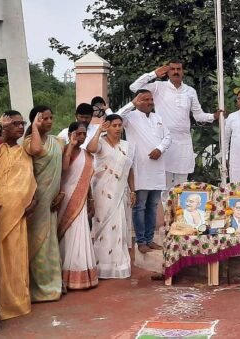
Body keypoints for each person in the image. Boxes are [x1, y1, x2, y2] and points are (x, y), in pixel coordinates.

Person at [129, 60, 219, 196]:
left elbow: (198, 115)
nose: (176, 72)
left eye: (179, 69)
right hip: (162, 142)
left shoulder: (190, 91)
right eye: (172, 69)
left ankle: (178, 215)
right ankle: (164, 216)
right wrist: (154, 74)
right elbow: (134, 87)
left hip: (183, 142)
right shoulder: (158, 86)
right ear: (167, 72)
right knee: (163, 185)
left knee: (181, 184)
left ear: (182, 72)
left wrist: (214, 116)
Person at [0, 111, 37, 319]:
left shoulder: (24, 151)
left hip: (19, 214)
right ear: (4, 125)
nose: (20, 127)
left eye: (22, 123)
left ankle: (17, 302)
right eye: (14, 124)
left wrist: (34, 200)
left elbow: (30, 178)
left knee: (17, 257)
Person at [117, 89, 173, 254]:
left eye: (151, 99)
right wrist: (132, 104)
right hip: (140, 168)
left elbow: (168, 137)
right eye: (145, 99)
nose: (150, 102)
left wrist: (160, 149)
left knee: (153, 206)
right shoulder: (130, 118)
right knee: (140, 206)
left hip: (157, 169)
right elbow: (115, 117)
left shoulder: (158, 118)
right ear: (138, 101)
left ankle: (150, 239)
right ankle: (141, 241)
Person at [87, 115, 136, 279]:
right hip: (102, 192)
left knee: (119, 225)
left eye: (119, 125)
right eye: (113, 125)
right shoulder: (100, 142)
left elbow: (129, 170)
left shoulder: (126, 146)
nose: (117, 128)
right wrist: (98, 130)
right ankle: (101, 265)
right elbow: (91, 149)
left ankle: (118, 264)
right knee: (102, 226)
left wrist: (133, 190)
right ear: (107, 126)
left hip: (120, 192)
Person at [24, 106, 64, 302]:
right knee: (37, 242)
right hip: (37, 199)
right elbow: (37, 150)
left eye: (50, 118)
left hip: (53, 199)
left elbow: (65, 166)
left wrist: (62, 192)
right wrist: (35, 127)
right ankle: (38, 288)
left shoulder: (57, 141)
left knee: (50, 241)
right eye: (44, 119)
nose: (49, 121)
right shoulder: (29, 142)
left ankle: (53, 284)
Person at [57, 121, 99, 290]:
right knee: (67, 235)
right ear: (70, 134)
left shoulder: (87, 155)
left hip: (81, 198)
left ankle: (80, 274)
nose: (81, 137)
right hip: (66, 197)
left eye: (83, 134)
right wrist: (70, 147)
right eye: (78, 134)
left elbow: (87, 181)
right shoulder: (62, 151)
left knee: (80, 233)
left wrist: (90, 199)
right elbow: (64, 169)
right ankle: (64, 276)